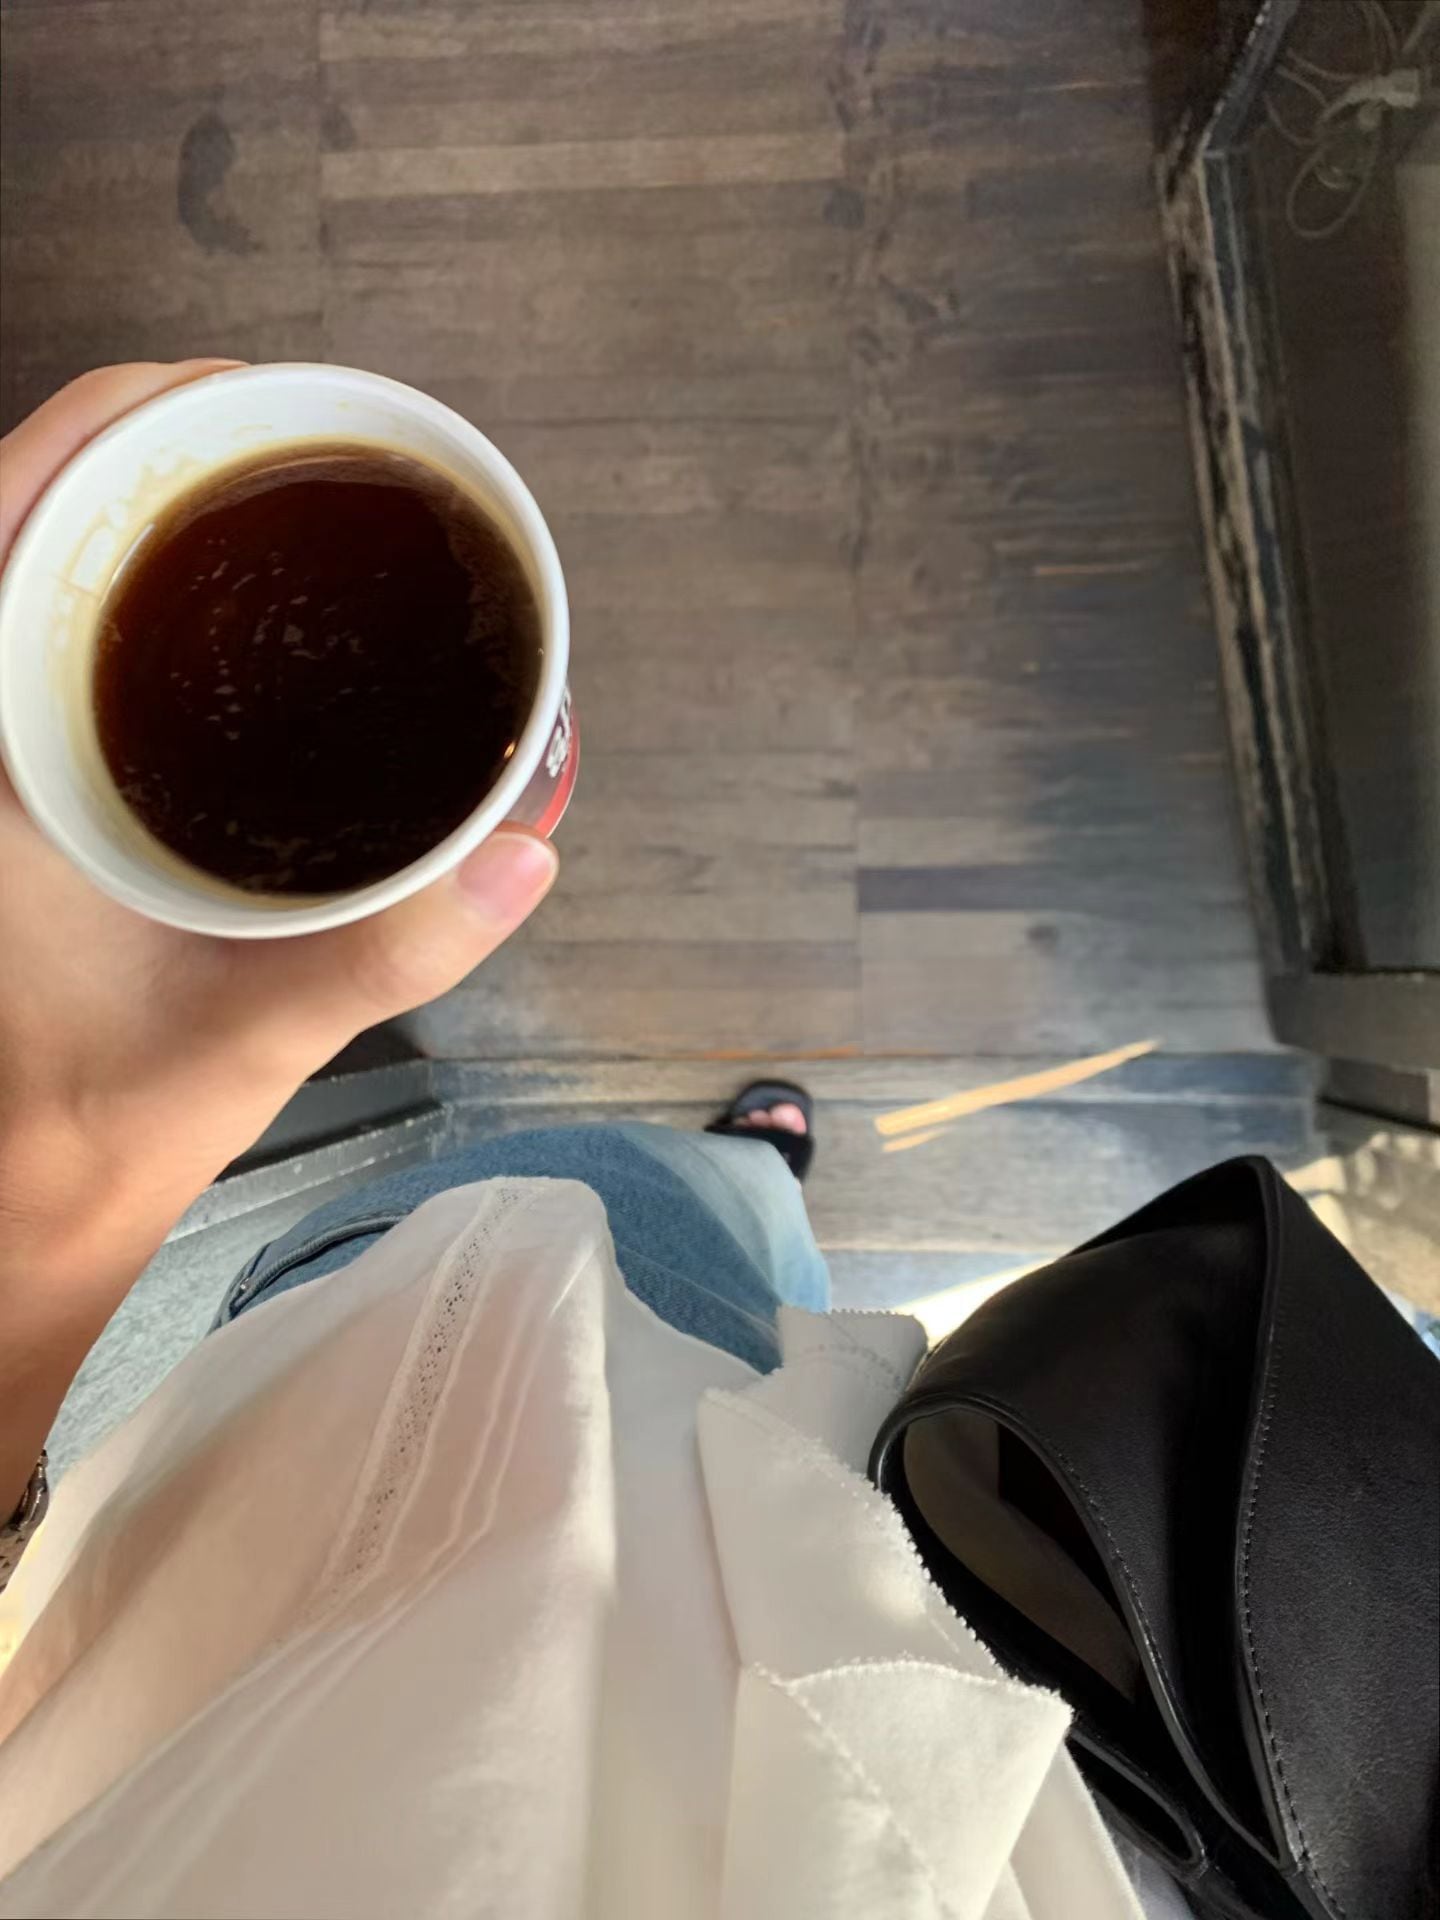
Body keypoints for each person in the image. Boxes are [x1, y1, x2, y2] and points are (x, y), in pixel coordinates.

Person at [0, 366, 1164, 1919]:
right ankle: (761, 1175)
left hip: (305, 1474)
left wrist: (52, 1212)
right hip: (570, 1508)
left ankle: (758, 1178)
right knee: (674, 1220)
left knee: (647, 1216)